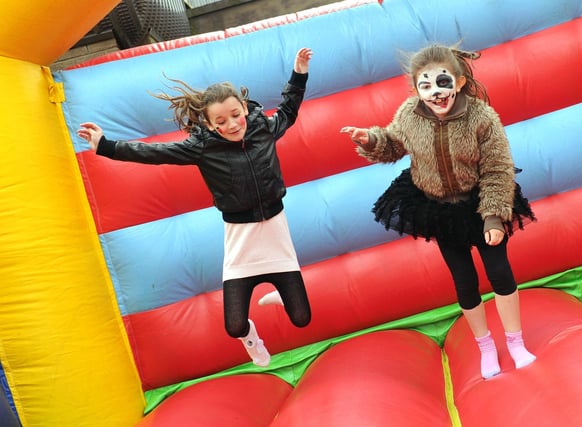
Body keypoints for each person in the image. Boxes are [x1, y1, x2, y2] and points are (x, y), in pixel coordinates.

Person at [78, 47, 314, 368]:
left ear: (244, 107)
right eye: (221, 120)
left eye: (235, 114)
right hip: (240, 243)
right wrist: (106, 146)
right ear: (208, 122)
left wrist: (299, 72)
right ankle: (252, 338)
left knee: (301, 318)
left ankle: (284, 296)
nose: (232, 124)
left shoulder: (262, 127)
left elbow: (288, 109)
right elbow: (155, 153)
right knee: (234, 326)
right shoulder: (201, 148)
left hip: (276, 236)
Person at [340, 44, 536, 379]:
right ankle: (485, 346)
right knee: (464, 281)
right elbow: (392, 144)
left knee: (500, 273)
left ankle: (515, 343)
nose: (435, 93)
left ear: (458, 82)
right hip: (440, 210)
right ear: (415, 88)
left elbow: (497, 168)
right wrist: (370, 140)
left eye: (442, 83)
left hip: (480, 202)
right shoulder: (409, 115)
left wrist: (492, 216)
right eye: (425, 86)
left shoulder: (481, 118)